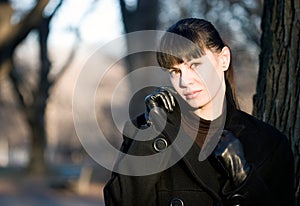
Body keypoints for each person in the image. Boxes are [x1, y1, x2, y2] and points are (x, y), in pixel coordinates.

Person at [103, 18, 295, 206]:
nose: (185, 81)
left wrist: (244, 179)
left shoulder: (269, 143)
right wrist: (154, 131)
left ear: (224, 60)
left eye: (195, 65)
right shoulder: (145, 132)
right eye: (174, 71)